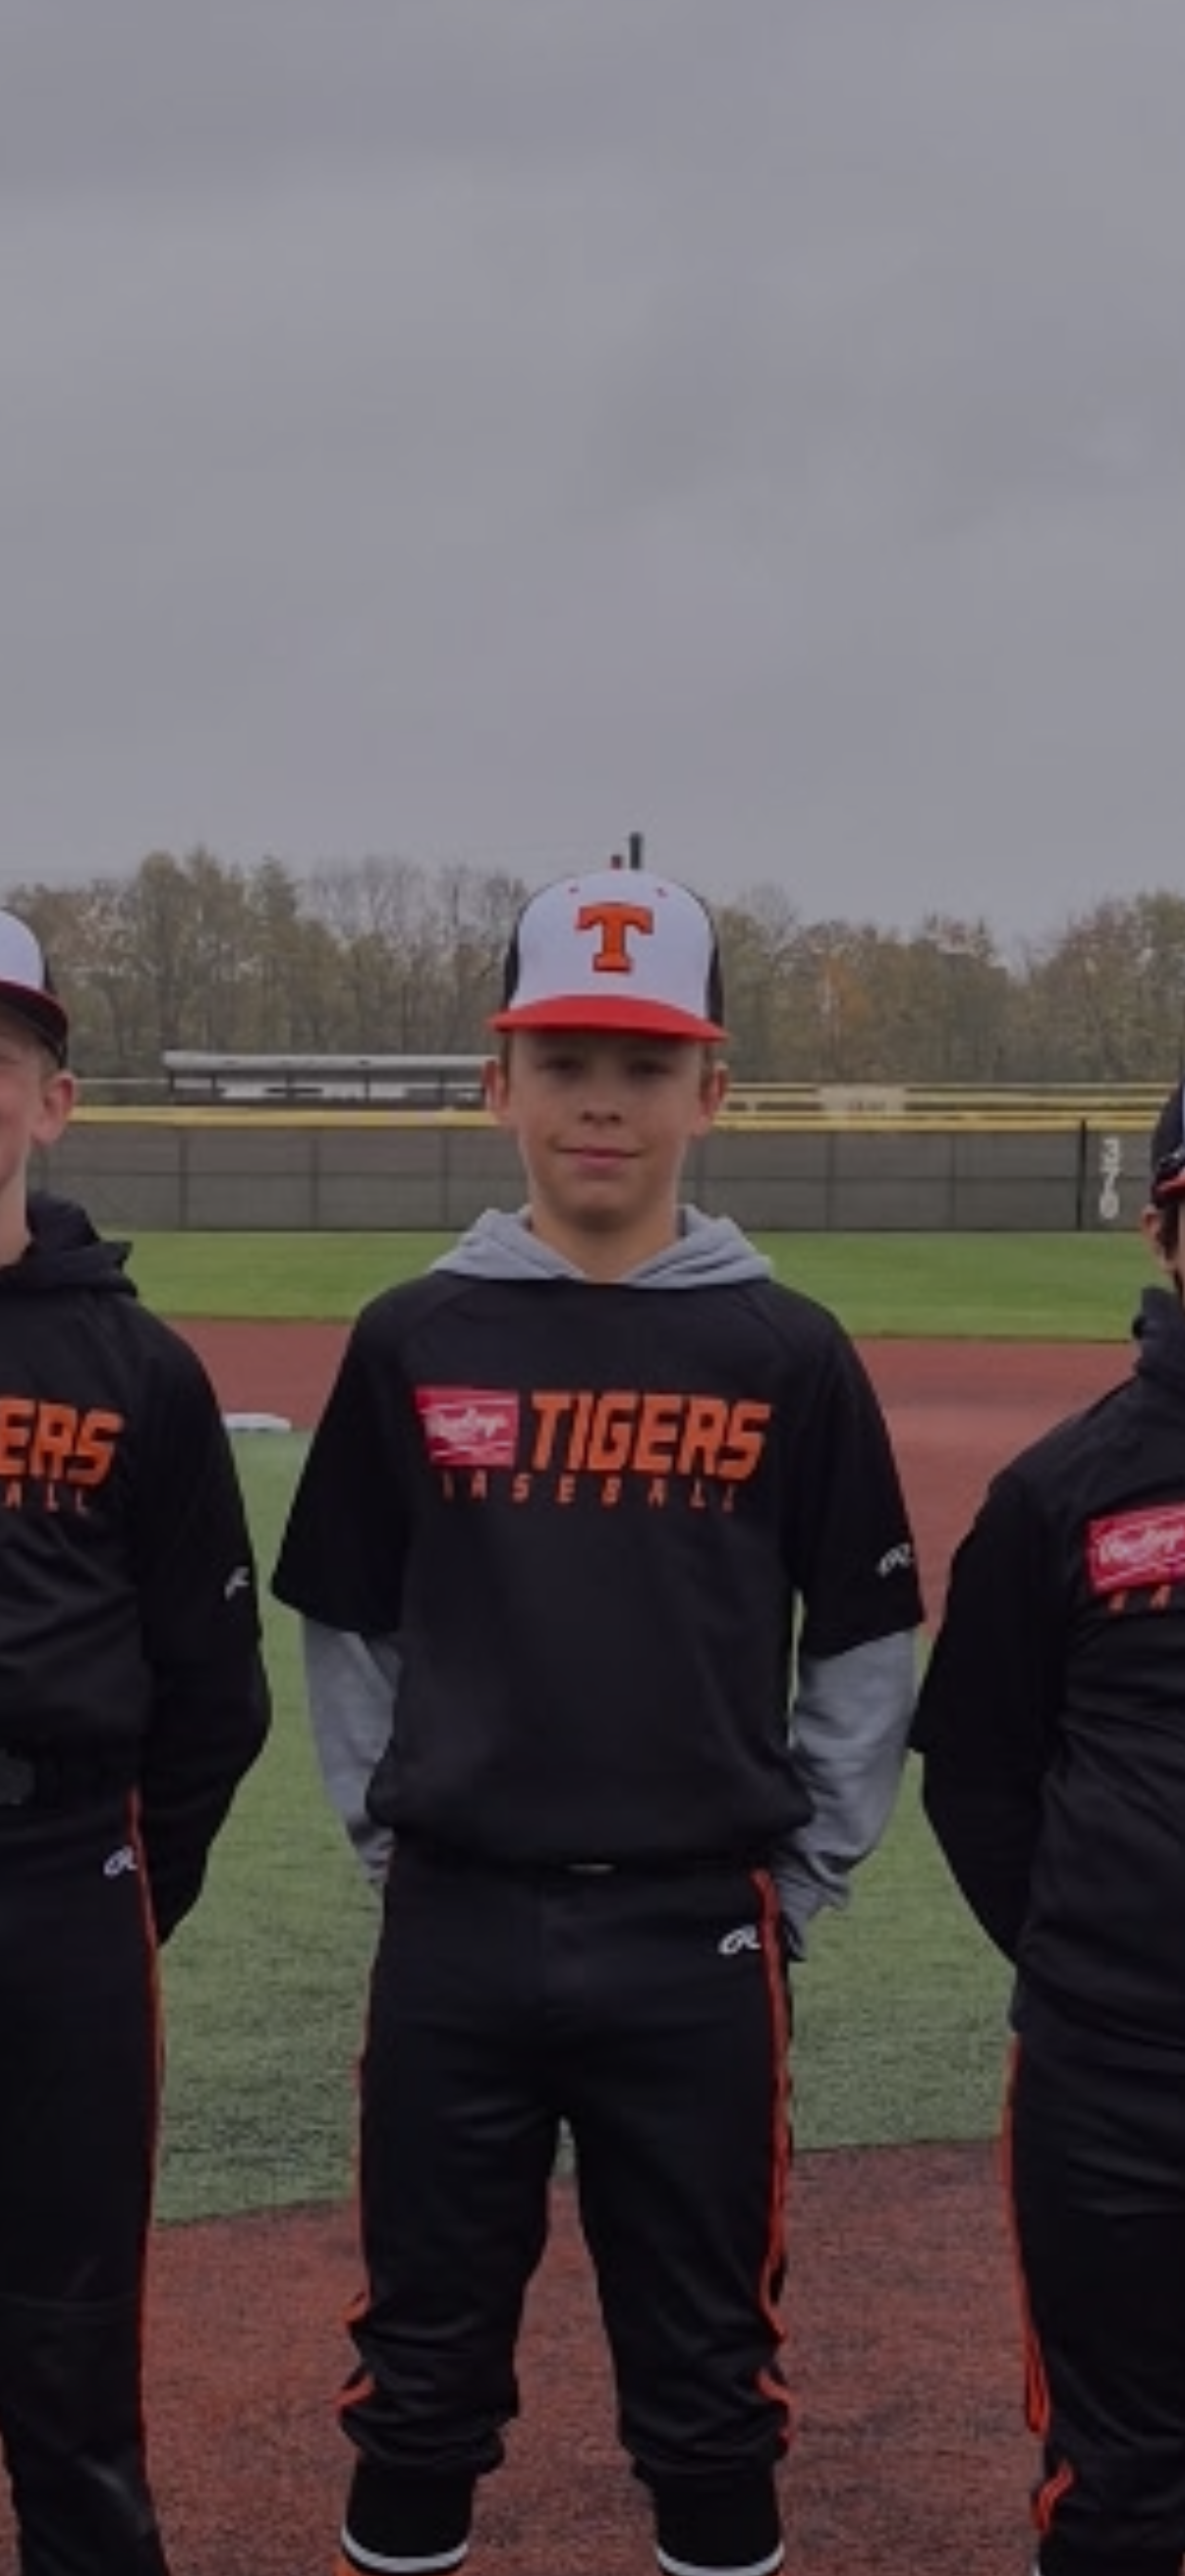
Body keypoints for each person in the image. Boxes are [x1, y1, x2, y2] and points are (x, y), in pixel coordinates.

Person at [272, 863, 923, 2576]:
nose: (601, 1103)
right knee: (417, 2379)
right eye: (563, 1062)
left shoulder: (786, 1350)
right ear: (498, 1084)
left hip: (696, 1933)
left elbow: (863, 1640)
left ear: (713, 1091)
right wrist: (400, 1842)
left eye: (645, 1066)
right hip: (458, 1928)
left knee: (710, 2385)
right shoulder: (414, 1336)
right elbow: (350, 1624)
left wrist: (802, 1880)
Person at [0, 908, 271, 2575]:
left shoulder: (139, 1368)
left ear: (52, 1100)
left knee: (67, 2344)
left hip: (57, 1878)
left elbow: (213, 1690)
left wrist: (113, 1885)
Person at [913, 1088, 1185, 2576]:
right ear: (1161, 1230)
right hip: (1114, 2073)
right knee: (1118, 2477)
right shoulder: (1058, 1493)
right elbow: (975, 1772)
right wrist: (1088, 1945)